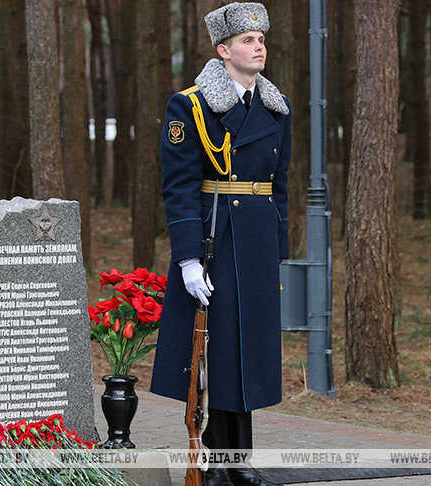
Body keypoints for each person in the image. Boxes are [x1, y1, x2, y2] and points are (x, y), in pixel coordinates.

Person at [150, 2, 290, 486]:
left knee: (249, 353)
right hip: (215, 236)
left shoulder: (275, 107)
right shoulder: (189, 106)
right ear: (223, 50)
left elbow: (281, 184)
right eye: (248, 40)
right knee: (214, 352)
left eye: (262, 40)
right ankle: (212, 462)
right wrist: (188, 257)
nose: (259, 47)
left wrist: (279, 248)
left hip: (255, 242)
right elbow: (180, 184)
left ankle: (241, 461)